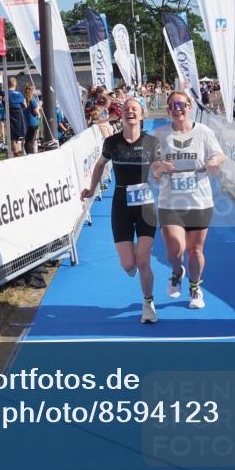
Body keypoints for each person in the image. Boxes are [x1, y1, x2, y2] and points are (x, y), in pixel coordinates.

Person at [81, 98, 161, 323]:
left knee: (143, 260)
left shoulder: (151, 142)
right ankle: (132, 260)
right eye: (126, 109)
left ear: (142, 115)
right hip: (121, 205)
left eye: (135, 109)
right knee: (128, 265)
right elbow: (99, 165)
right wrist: (92, 188)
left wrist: (160, 171)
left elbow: (156, 169)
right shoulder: (111, 142)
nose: (130, 112)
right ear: (121, 115)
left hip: (145, 206)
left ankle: (148, 303)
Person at [151, 91, 225, 310]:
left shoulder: (203, 132)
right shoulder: (159, 134)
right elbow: (154, 171)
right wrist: (161, 168)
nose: (178, 109)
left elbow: (220, 155)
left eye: (181, 105)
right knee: (174, 251)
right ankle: (177, 271)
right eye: (173, 106)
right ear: (168, 110)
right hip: (170, 202)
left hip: (199, 201)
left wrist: (213, 161)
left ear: (189, 107)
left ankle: (195, 287)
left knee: (196, 251)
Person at [7, 77, 27, 156]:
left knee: (13, 136)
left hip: (10, 114)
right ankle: (17, 152)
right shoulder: (19, 93)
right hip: (19, 114)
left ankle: (16, 153)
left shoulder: (6, 93)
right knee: (21, 134)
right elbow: (24, 105)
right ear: (15, 84)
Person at [23, 84, 40, 153]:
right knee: (32, 140)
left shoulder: (24, 99)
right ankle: (32, 153)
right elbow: (36, 112)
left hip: (26, 123)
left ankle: (31, 152)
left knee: (28, 139)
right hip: (33, 123)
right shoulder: (33, 100)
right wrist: (38, 108)